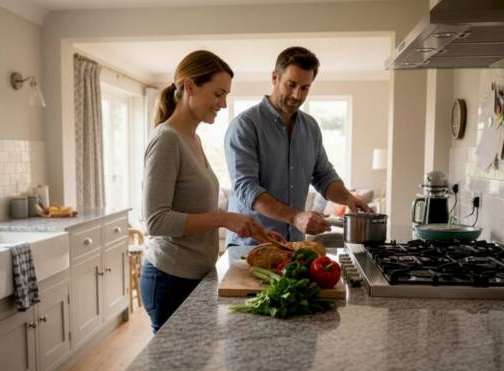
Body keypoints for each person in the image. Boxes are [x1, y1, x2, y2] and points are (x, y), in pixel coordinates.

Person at [141, 50, 280, 334]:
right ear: (190, 86)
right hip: (170, 278)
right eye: (218, 94)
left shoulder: (192, 139)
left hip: (194, 275)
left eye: (226, 95)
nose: (222, 103)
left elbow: (194, 209)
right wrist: (223, 219)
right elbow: (155, 222)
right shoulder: (166, 140)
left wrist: (253, 229)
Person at [225, 46, 372, 246]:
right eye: (291, 84)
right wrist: (296, 217)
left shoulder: (310, 127)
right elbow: (246, 187)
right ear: (275, 78)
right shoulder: (245, 125)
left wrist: (348, 198)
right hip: (251, 244)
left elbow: (324, 176)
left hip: (293, 244)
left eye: (305, 88)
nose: (297, 95)